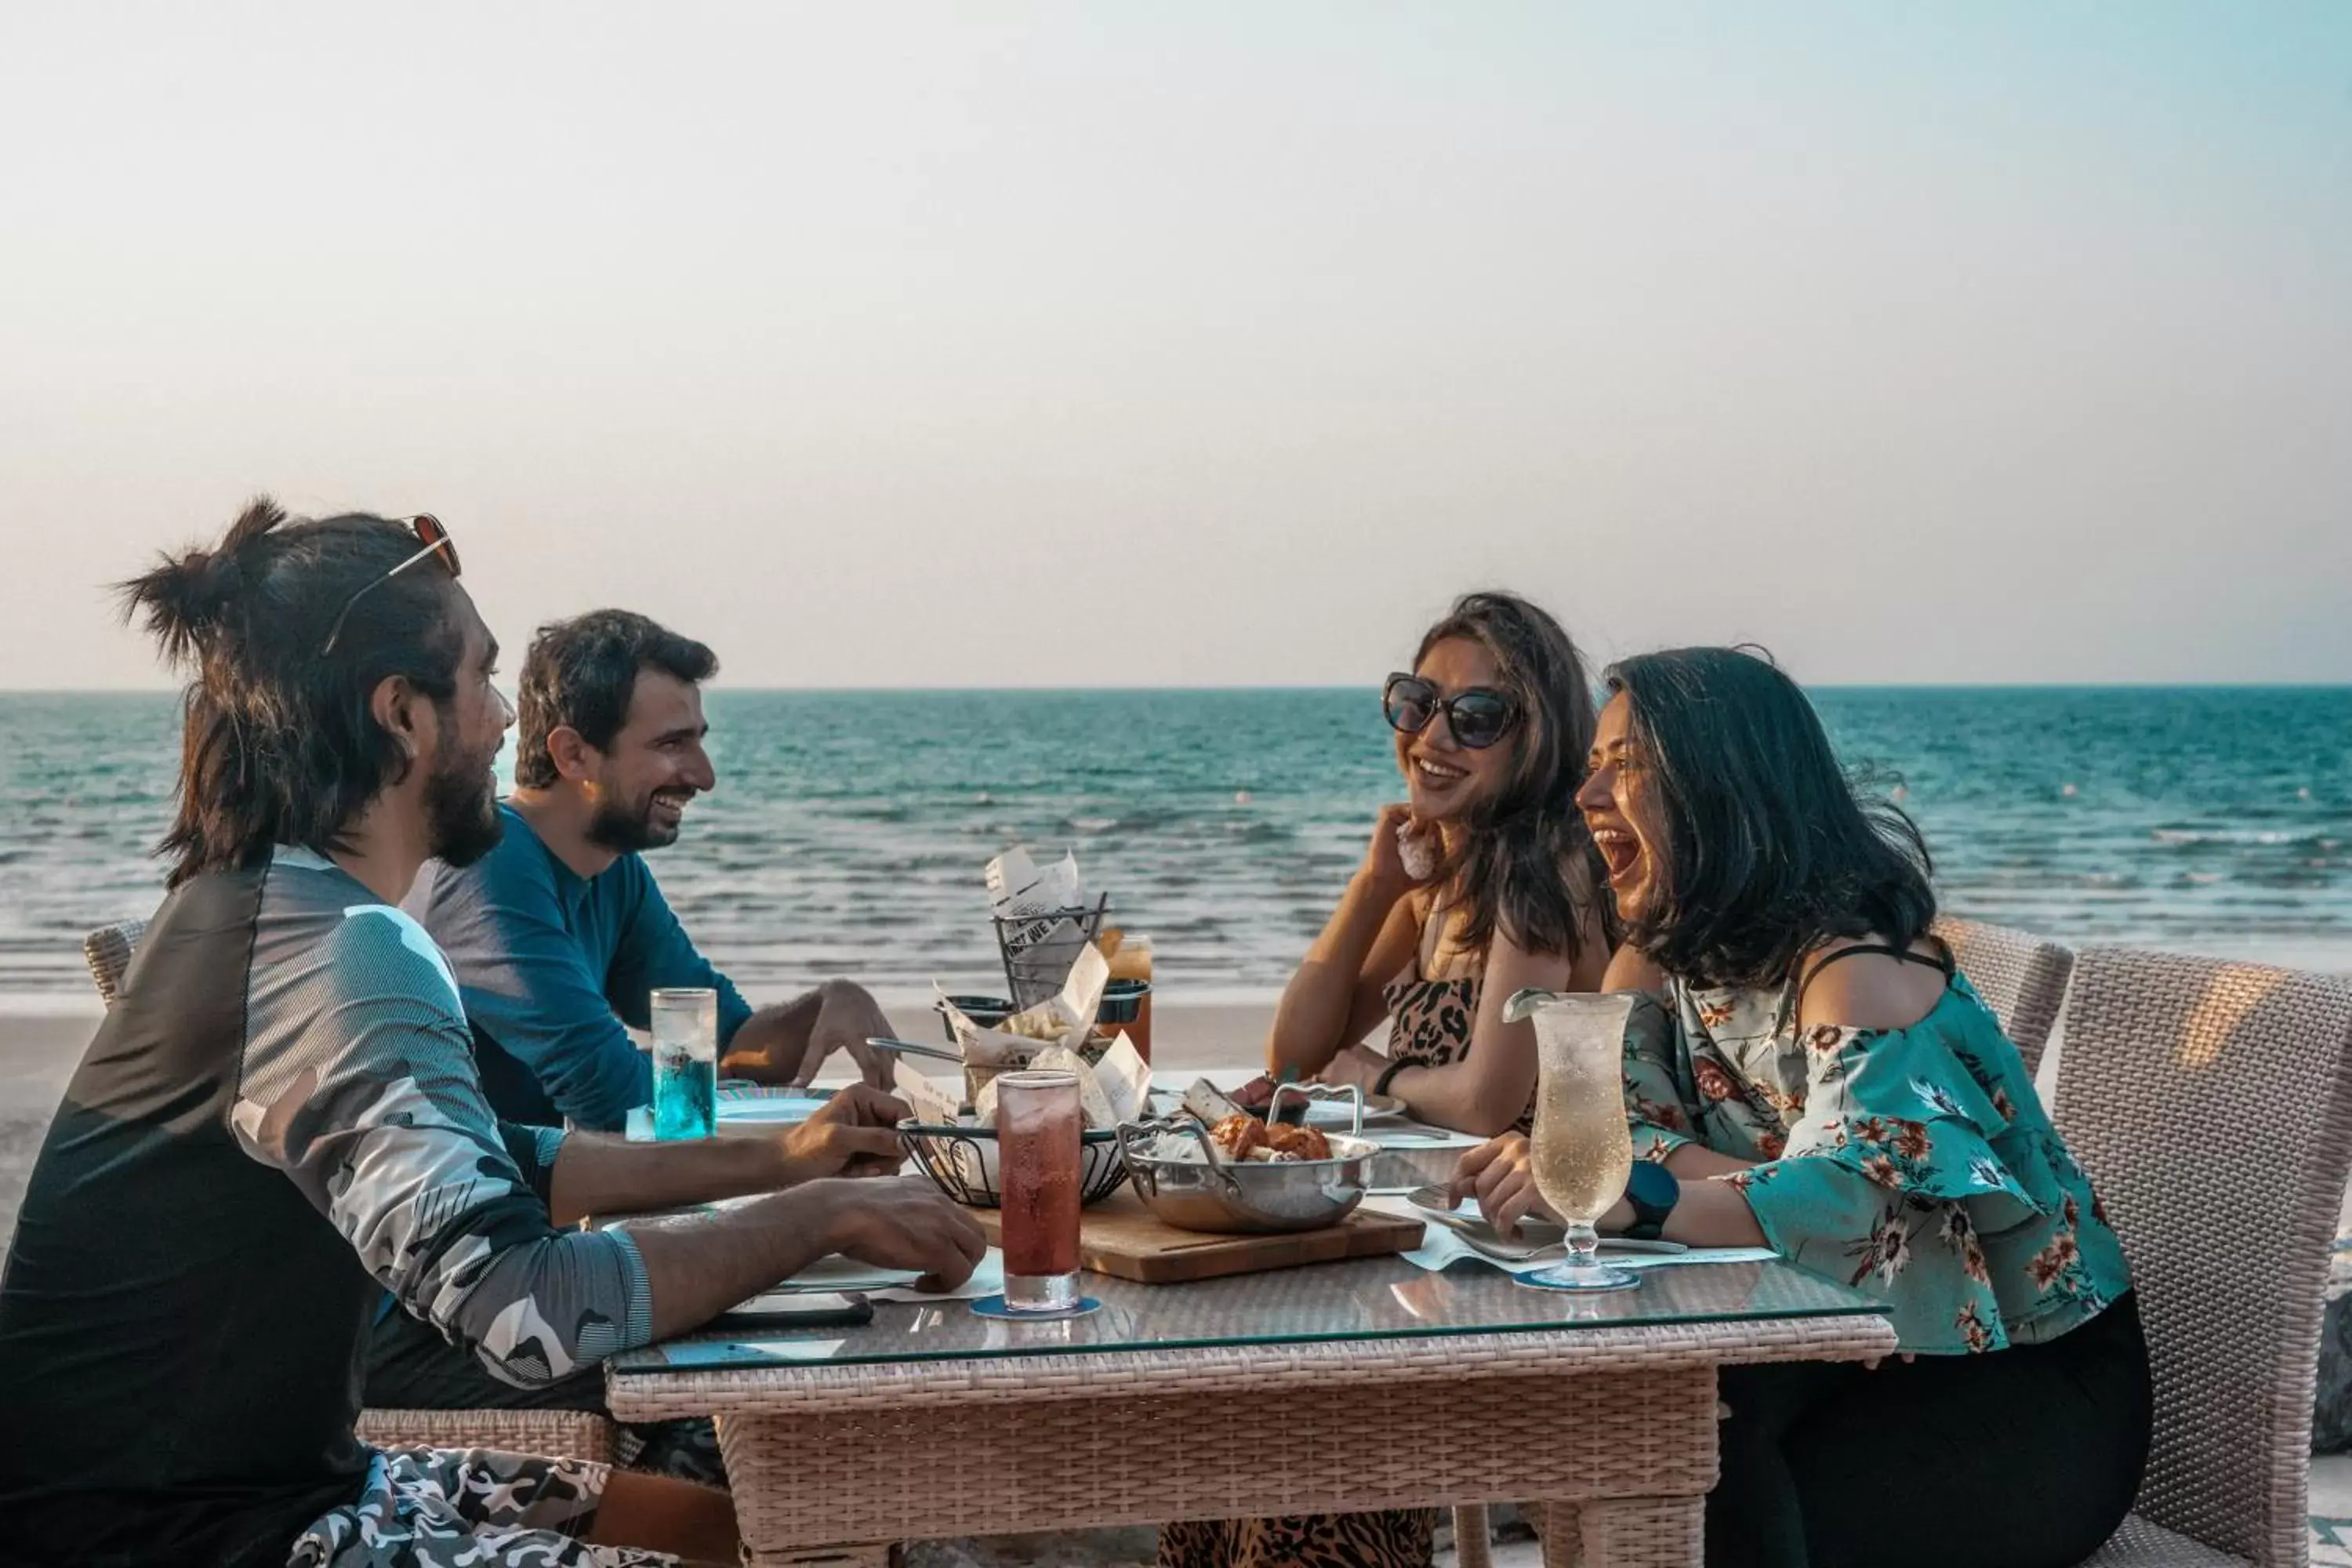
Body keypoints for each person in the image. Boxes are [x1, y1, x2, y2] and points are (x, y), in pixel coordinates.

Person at [0, 500, 985, 1568]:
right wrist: (822, 1216)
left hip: (285, 1487)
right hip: (196, 1540)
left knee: (752, 1533)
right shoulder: (349, 951)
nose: (503, 719)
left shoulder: (249, 904)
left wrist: (783, 1157)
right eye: (479, 678)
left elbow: (497, 1160)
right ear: (401, 715)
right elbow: (528, 1312)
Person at [1451, 647, 2150, 1568]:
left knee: (1708, 1471)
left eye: (1627, 766)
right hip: (1846, 1338)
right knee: (1677, 1425)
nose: (1587, 796)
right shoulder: (1662, 958)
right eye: (1594, 763)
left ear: (1722, 789)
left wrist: (1652, 1195)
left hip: (2018, 1381)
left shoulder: (1856, 967)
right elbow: (1640, 1138)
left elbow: (1846, 1204)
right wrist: (1732, 1196)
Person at [1159, 591, 1612, 1568]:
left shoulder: (1546, 869)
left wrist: (1381, 1072)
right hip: (1439, 1225)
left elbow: (1489, 1096)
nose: (1433, 736)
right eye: (1416, 703)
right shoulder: (1446, 878)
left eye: (1476, 717)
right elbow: (1293, 1050)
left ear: (1538, 738)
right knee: (1239, 1375)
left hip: (1524, 1244)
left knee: (1292, 1381)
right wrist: (1373, 888)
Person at [403, 608, 892, 1137]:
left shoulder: (613, 871)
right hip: (455, 1209)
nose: (704, 777)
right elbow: (615, 1102)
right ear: (573, 755)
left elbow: (728, 1045)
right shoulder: (489, 862)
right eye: (671, 744)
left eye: (699, 741)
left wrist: (825, 1005)